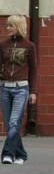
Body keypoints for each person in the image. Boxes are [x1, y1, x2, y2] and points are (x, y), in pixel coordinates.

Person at [0, 15, 37, 165]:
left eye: (11, 25)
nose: (7, 28)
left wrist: (34, 91)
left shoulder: (29, 46)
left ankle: (7, 154)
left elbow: (34, 70)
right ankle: (21, 154)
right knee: (10, 125)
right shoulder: (3, 45)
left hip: (21, 89)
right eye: (7, 25)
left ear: (18, 27)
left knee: (15, 122)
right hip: (4, 88)